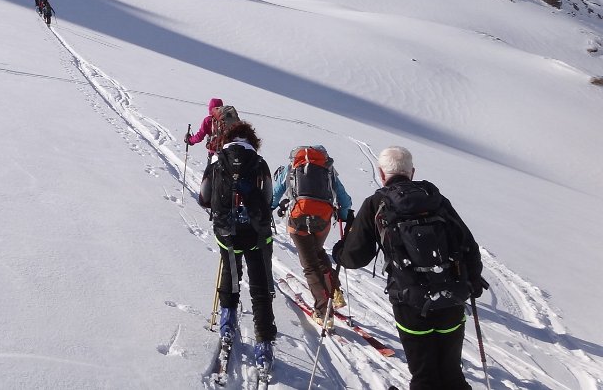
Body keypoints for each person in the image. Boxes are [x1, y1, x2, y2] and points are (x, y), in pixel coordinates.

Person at [332, 146, 484, 390]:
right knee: (451, 373)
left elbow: (355, 257)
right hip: (451, 297)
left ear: (382, 174)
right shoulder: (436, 199)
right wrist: (473, 280)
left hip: (409, 301)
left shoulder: (376, 204)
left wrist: (339, 251)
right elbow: (468, 243)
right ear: (412, 172)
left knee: (425, 376)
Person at [199, 121, 277, 367]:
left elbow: (203, 197)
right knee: (259, 287)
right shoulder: (260, 163)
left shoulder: (217, 162)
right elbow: (268, 199)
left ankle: (227, 325)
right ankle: (264, 346)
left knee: (231, 276)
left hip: (227, 234)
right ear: (252, 142)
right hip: (255, 236)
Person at [271, 145, 352, 326]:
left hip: (298, 220)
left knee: (309, 265)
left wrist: (269, 207)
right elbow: (344, 199)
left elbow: (274, 195)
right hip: (323, 220)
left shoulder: (291, 168)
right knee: (317, 251)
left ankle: (323, 313)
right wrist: (344, 215)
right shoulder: (328, 170)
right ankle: (335, 292)